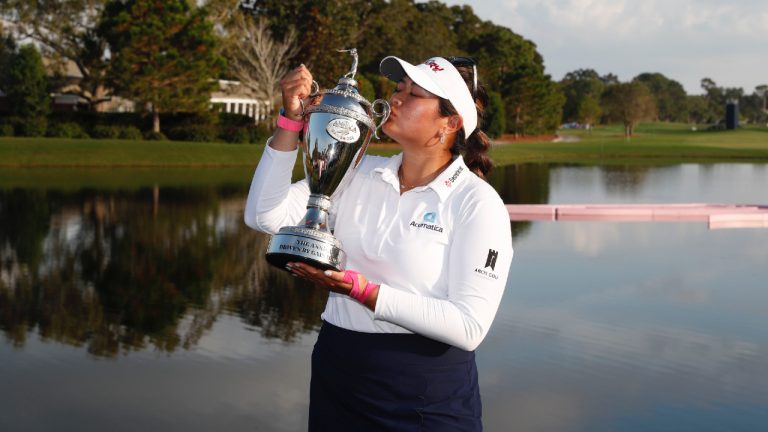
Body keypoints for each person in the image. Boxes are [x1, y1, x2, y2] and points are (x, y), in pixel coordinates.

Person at [244, 55, 513, 431]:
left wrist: (360, 289)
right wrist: (290, 122)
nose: (397, 99)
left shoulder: (477, 203)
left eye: (414, 94)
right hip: (338, 376)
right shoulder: (358, 171)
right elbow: (263, 215)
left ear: (450, 123)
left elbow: (469, 326)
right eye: (398, 89)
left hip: (425, 395)